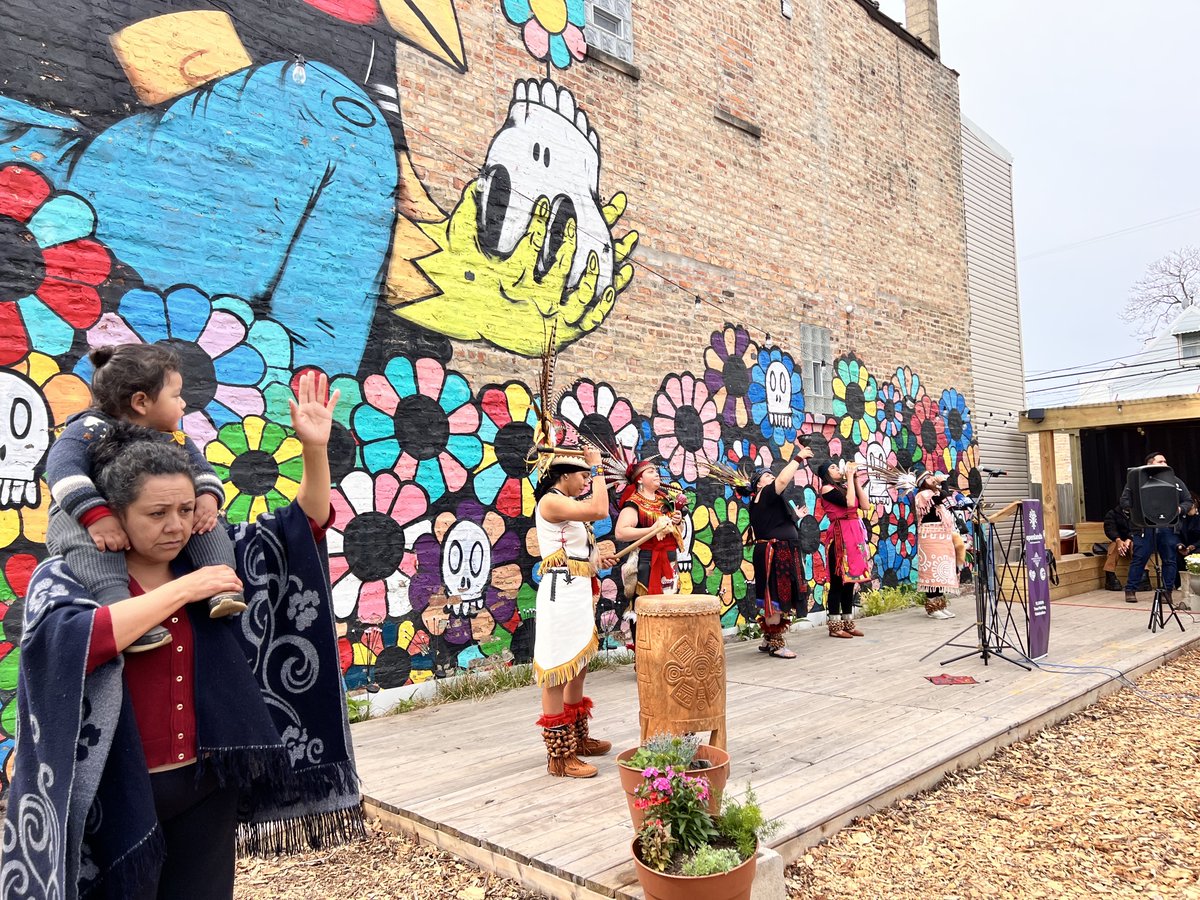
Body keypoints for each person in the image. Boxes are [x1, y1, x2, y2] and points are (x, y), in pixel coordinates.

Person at [3, 372, 361, 900]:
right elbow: (80, 642)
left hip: (205, 785)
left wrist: (314, 450)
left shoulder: (205, 554)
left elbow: (300, 528)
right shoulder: (69, 578)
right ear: (115, 514)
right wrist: (184, 590)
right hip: (114, 794)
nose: (176, 525)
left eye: (186, 510)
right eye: (156, 513)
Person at [45, 343, 246, 651]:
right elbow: (62, 472)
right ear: (141, 402)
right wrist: (96, 516)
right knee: (86, 541)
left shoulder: (173, 437)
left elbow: (202, 470)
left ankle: (220, 584)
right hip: (85, 515)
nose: (183, 404)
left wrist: (208, 496)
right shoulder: (89, 429)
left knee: (204, 521)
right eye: (176, 395)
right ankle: (118, 606)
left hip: (148, 516)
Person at [532, 443, 619, 778]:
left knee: (577, 664)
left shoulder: (565, 503)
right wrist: (597, 466)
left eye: (588, 474)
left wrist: (596, 559)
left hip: (577, 588)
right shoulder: (551, 501)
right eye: (582, 475)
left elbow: (575, 552)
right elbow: (600, 509)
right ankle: (560, 756)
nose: (586, 480)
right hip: (561, 593)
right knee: (556, 668)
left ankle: (578, 738)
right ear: (564, 475)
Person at [743, 439, 815, 658]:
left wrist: (796, 517)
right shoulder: (763, 494)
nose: (771, 477)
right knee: (774, 595)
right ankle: (776, 643)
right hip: (773, 554)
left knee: (774, 595)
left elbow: (777, 522)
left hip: (780, 552)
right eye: (766, 475)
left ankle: (768, 639)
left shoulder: (767, 501)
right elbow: (784, 479)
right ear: (758, 485)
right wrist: (799, 458)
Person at [611, 452, 684, 647]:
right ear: (640, 479)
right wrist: (652, 529)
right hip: (646, 562)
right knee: (645, 607)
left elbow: (676, 533)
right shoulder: (635, 502)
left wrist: (677, 522)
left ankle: (668, 650)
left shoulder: (664, 501)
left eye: (657, 471)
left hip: (669, 560)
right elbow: (621, 532)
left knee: (670, 605)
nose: (657, 474)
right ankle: (645, 654)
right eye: (651, 471)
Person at [1120, 451, 1193, 607]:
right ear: (1149, 464)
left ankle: (1167, 592)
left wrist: (1179, 510)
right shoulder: (1136, 481)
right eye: (1160, 461)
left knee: (1169, 559)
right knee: (1140, 557)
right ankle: (1131, 589)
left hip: (1168, 526)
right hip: (1145, 526)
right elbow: (1125, 502)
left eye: (1165, 461)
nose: (1165, 464)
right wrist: (1138, 511)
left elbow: (1187, 501)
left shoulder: (1176, 481)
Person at [816, 459, 873, 638]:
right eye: (832, 467)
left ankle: (848, 622)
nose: (837, 468)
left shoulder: (844, 487)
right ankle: (834, 625)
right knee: (837, 582)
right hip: (840, 536)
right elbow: (849, 504)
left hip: (854, 535)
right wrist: (848, 477)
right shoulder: (826, 489)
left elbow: (864, 505)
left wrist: (855, 480)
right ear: (826, 474)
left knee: (850, 581)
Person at [912, 469, 963, 619]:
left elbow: (947, 499)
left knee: (941, 572)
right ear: (922, 483)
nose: (932, 479)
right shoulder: (923, 495)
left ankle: (940, 605)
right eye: (928, 478)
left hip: (942, 537)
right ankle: (932, 608)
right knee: (932, 572)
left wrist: (942, 484)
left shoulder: (936, 495)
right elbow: (943, 496)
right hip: (930, 538)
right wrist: (943, 482)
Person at [1101, 502, 1134, 592]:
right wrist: (1118, 540)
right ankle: (1110, 576)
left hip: (1133, 540)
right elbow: (1109, 529)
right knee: (1114, 547)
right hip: (1117, 540)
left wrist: (1129, 539)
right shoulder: (1113, 513)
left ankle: (1144, 575)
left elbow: (1139, 528)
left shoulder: (1137, 513)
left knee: (1137, 547)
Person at [1174, 491, 1200, 596]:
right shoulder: (1181, 518)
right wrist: (1180, 546)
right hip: (1185, 546)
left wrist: (1193, 546)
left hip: (1197, 545)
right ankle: (1180, 583)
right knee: (1175, 555)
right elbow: (1177, 534)